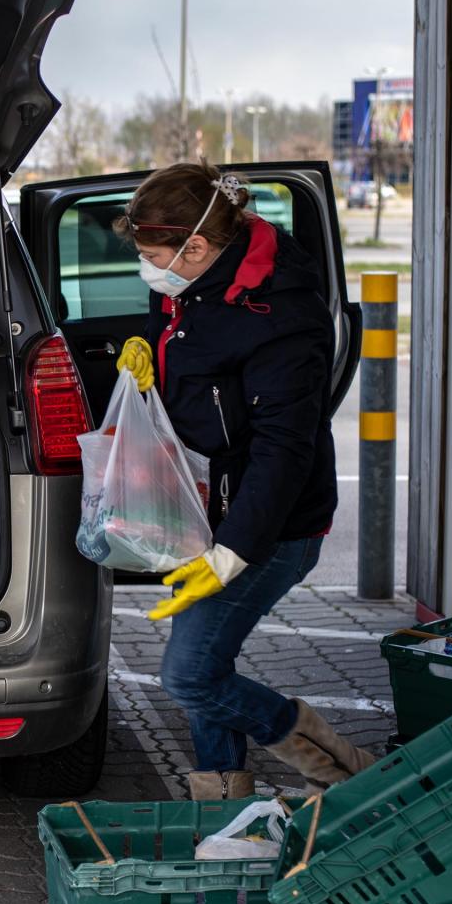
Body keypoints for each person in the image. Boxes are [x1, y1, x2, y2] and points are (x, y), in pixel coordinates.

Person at [112, 160, 375, 800]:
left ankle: (335, 762)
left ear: (196, 246)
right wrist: (149, 352)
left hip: (271, 527)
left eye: (154, 256)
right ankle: (222, 796)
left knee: (190, 675)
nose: (150, 271)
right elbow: (191, 350)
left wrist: (235, 551)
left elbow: (285, 448)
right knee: (207, 660)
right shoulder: (191, 282)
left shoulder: (281, 314)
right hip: (205, 512)